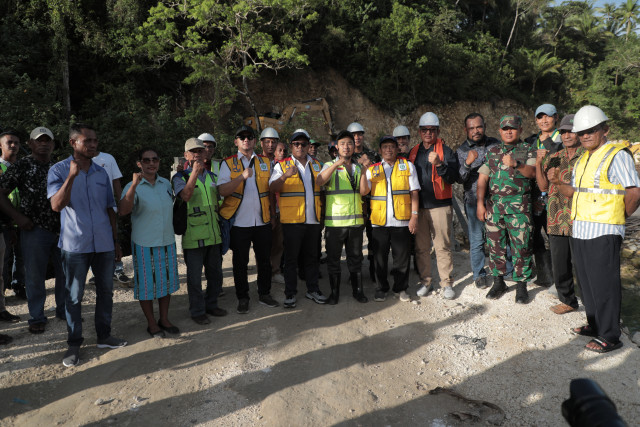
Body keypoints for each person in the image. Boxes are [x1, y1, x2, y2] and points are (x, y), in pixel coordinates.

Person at [548, 105, 640, 353]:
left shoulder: (617, 155)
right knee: (587, 282)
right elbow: (573, 192)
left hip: (604, 229)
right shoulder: (584, 159)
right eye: (582, 132)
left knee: (605, 283)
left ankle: (610, 335)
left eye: (591, 130)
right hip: (581, 229)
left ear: (605, 130)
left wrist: (620, 216)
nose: (585, 135)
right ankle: (594, 324)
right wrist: (558, 183)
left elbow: (634, 191)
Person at [48, 123, 127, 367]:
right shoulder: (58, 170)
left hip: (103, 243)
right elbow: (56, 206)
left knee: (106, 291)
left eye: (95, 141)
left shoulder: (101, 173)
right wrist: (72, 176)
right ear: (73, 143)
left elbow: (109, 209)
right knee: (74, 296)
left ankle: (104, 335)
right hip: (75, 245)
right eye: (87, 141)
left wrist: (115, 241)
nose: (93, 145)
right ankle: (74, 344)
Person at [0, 127, 65, 333]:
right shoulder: (22, 166)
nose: (44, 143)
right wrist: (17, 217)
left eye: (48, 140)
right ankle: (37, 316)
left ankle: (64, 310)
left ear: (53, 144)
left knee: (64, 272)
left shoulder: (59, 167)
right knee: (35, 276)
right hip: (34, 228)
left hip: (62, 229)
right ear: (30, 143)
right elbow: (1, 193)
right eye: (39, 140)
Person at [120, 148, 180, 337]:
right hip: (144, 243)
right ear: (139, 164)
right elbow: (123, 210)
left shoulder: (165, 184)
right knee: (146, 286)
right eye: (146, 161)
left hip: (166, 240)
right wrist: (133, 186)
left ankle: (164, 318)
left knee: (166, 283)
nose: (151, 163)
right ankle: (151, 323)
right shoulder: (133, 185)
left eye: (155, 159)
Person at [218, 126, 279, 313]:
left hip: (262, 221)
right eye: (242, 137)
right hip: (239, 223)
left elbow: (270, 190)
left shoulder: (265, 162)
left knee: (264, 260)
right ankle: (243, 297)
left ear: (254, 141)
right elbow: (222, 191)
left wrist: (273, 216)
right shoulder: (228, 164)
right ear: (236, 141)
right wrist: (241, 177)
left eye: (249, 137)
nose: (246, 140)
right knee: (240, 263)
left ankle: (264, 293)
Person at [476, 115, 536, 304]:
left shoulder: (527, 150)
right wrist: (479, 203)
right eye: (505, 128)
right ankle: (498, 282)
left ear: (520, 130)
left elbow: (533, 173)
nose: (509, 131)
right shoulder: (492, 151)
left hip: (519, 208)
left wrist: (516, 164)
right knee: (495, 247)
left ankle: (521, 286)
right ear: (500, 131)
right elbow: (483, 178)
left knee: (521, 247)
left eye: (513, 128)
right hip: (495, 207)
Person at [173, 137, 227, 324]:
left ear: (205, 154)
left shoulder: (213, 177)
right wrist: (194, 173)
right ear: (186, 155)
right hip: (193, 237)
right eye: (193, 151)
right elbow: (186, 196)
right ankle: (197, 311)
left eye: (200, 151)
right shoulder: (179, 177)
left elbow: (219, 204)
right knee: (194, 278)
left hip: (213, 235)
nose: (197, 154)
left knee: (216, 274)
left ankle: (211, 305)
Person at [269, 129, 325, 308]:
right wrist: (285, 176)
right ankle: (290, 293)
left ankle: (313, 289)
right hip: (292, 221)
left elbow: (323, 189)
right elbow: (272, 187)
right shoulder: (282, 165)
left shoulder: (316, 165)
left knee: (312, 258)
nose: (300, 147)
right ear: (291, 146)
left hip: (312, 220)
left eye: (303, 144)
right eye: (296, 144)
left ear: (309, 146)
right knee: (291, 260)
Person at [360, 135, 419, 302]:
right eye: (384, 147)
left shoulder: (408, 166)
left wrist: (414, 216)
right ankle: (381, 288)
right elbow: (364, 191)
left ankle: (401, 288)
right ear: (380, 151)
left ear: (397, 149)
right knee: (380, 258)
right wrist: (364, 170)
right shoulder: (374, 169)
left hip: (402, 221)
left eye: (391, 146)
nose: (388, 149)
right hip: (379, 222)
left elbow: (414, 192)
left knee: (402, 258)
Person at [536, 114, 583, 315]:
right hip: (556, 217)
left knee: (582, 266)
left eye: (570, 131)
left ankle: (590, 302)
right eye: (563, 132)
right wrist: (539, 164)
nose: (566, 135)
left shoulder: (587, 157)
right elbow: (543, 185)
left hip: (580, 218)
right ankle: (568, 301)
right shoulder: (554, 157)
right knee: (559, 263)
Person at [409, 112, 459, 299]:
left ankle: (446, 283)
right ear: (420, 132)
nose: (428, 133)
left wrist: (439, 164)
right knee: (421, 247)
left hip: (440, 206)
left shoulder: (446, 151)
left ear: (437, 131)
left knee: (442, 246)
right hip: (419, 207)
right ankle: (426, 281)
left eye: (432, 129)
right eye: (424, 130)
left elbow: (453, 177)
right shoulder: (413, 152)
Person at [316, 130, 367, 304]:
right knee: (333, 259)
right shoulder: (329, 165)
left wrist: (365, 171)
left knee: (355, 258)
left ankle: (358, 291)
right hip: (335, 224)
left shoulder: (359, 168)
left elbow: (364, 191)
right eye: (343, 144)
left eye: (350, 144)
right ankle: (334, 293)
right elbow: (319, 181)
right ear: (337, 147)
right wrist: (337, 163)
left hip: (355, 222)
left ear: (354, 147)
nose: (346, 147)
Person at [456, 113, 500, 289]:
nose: (476, 131)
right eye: (472, 128)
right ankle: (479, 274)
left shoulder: (496, 144)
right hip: (474, 200)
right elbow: (459, 178)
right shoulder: (461, 151)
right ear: (466, 130)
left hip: (498, 199)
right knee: (477, 239)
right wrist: (467, 163)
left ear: (484, 127)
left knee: (500, 236)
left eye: (479, 127)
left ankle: (506, 271)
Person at [526, 104, 563, 287]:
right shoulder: (531, 141)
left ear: (555, 117)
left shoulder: (563, 139)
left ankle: (561, 282)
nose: (544, 121)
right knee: (534, 237)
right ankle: (544, 276)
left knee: (557, 240)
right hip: (534, 197)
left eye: (547, 117)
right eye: (540, 117)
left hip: (557, 197)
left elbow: (560, 163)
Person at [91, 149, 131, 285]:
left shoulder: (108, 158)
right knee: (92, 240)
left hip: (109, 207)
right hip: (90, 210)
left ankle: (118, 270)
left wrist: (121, 203)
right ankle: (95, 273)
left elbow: (116, 182)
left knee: (115, 239)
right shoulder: (80, 161)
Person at [348, 122, 379, 284]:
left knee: (374, 238)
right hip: (355, 204)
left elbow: (380, 175)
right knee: (354, 241)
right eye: (354, 135)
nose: (357, 137)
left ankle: (374, 271)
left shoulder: (373, 154)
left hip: (373, 203)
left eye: (360, 134)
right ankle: (355, 273)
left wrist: (370, 165)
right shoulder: (346, 157)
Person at [0, 130, 26, 300]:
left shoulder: (23, 167)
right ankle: (1, 293)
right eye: (9, 142)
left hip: (23, 220)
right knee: (4, 257)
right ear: (0, 145)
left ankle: (19, 285)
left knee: (22, 256)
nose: (13, 146)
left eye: (16, 142)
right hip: (3, 221)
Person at [259, 128, 285, 284]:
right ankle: (264, 272)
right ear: (261, 143)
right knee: (263, 245)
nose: (270, 145)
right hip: (261, 210)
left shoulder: (280, 164)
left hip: (278, 209)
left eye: (273, 142)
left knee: (278, 243)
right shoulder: (255, 161)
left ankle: (275, 271)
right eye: (267, 141)